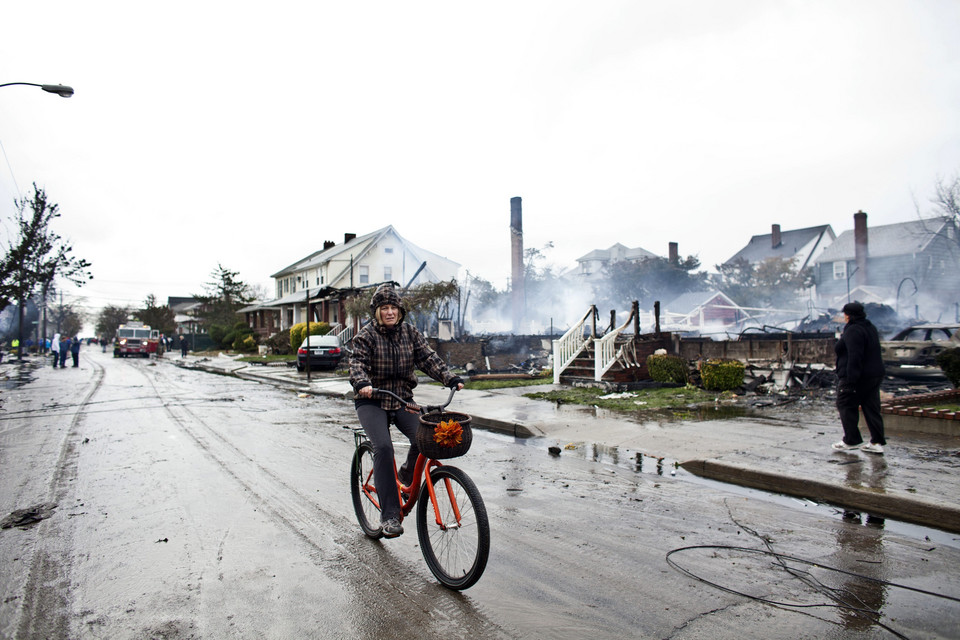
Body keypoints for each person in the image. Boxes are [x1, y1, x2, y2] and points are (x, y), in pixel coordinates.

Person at [349, 284, 464, 538]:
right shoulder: (366, 336)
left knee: (424, 438)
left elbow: (428, 359)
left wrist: (450, 378)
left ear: (400, 311)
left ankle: (404, 477)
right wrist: (362, 383)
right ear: (377, 311)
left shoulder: (410, 333)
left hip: (401, 399)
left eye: (394, 308)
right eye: (384, 308)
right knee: (384, 447)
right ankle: (389, 516)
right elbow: (357, 363)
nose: (389, 312)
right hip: (372, 401)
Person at [832, 301, 886, 454]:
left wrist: (851, 379)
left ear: (848, 315)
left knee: (845, 404)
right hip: (874, 375)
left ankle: (851, 440)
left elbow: (855, 356)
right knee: (871, 407)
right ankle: (876, 442)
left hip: (858, 376)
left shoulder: (854, 330)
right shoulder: (869, 327)